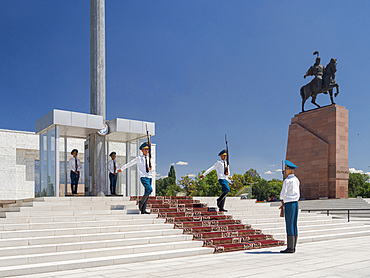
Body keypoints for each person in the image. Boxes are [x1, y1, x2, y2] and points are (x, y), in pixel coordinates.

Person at [118, 142, 154, 214]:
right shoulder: (139, 158)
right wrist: (122, 168)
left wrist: (151, 168)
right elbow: (130, 163)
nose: (147, 151)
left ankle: (143, 210)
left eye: (147, 149)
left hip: (149, 177)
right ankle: (141, 202)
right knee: (150, 189)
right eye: (145, 149)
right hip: (143, 177)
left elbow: (153, 168)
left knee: (147, 192)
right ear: (142, 150)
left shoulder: (150, 158)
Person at [279, 160, 300, 253]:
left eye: (286, 169)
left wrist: (282, 200)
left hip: (289, 203)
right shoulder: (296, 180)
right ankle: (293, 246)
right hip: (295, 203)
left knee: (289, 224)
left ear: (289, 170)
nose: (285, 170)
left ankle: (290, 248)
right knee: (294, 224)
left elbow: (282, 195)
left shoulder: (287, 181)